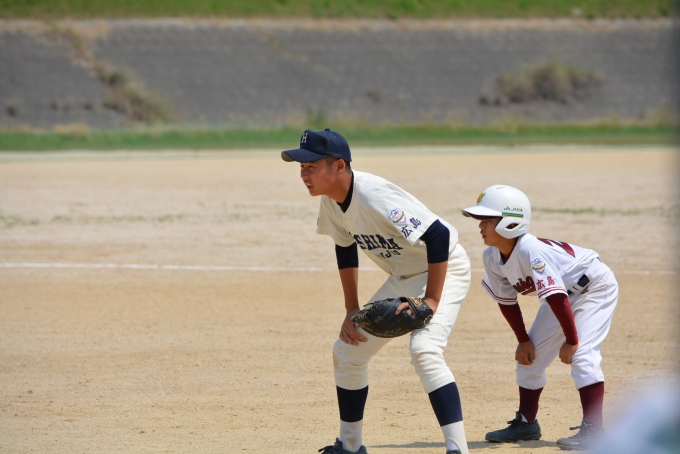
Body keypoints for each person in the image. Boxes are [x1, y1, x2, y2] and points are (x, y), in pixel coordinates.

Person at [281, 128, 472, 454]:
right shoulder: (331, 201)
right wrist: (351, 309)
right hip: (404, 276)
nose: (304, 174)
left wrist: (431, 299)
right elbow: (344, 248)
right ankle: (350, 446)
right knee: (347, 352)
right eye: (301, 167)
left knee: (425, 350)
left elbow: (438, 235)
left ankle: (458, 449)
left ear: (339, 166)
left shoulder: (373, 195)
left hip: (444, 268)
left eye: (311, 166)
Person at [461, 184, 618, 451]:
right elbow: (507, 302)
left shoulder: (529, 250)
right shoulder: (492, 257)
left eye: (487, 219)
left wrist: (571, 340)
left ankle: (594, 429)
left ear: (510, 222)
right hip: (562, 296)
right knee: (528, 358)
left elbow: (556, 298)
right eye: (480, 220)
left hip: (593, 287)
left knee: (582, 354)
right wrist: (524, 340)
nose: (480, 226)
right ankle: (526, 424)